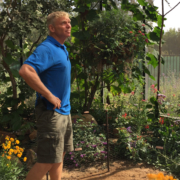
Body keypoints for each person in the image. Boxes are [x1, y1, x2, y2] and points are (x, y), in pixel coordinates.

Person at [19, 11, 73, 180]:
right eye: (63, 23)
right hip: (51, 113)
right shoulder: (47, 48)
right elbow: (26, 70)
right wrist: (49, 95)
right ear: (51, 28)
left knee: (58, 158)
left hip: (64, 111)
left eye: (69, 22)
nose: (68, 25)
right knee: (47, 161)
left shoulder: (61, 48)